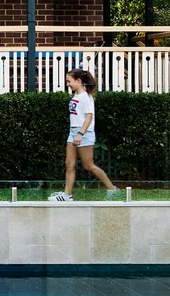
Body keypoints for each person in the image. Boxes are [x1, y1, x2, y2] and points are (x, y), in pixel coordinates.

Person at [49, 68, 121, 202]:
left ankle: (112, 189)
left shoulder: (86, 97)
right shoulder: (77, 96)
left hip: (84, 133)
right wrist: (75, 134)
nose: (68, 84)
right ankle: (67, 195)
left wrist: (81, 134)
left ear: (78, 80)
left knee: (88, 165)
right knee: (69, 164)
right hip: (73, 132)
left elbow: (89, 117)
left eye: (69, 81)